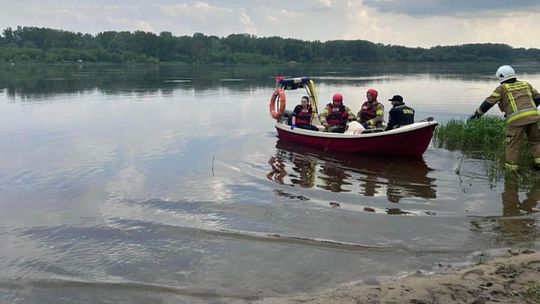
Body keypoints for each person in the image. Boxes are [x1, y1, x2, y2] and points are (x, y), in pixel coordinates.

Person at [469, 65, 540, 171]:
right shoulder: (526, 84)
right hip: (534, 117)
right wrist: (530, 111)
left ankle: (511, 170)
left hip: (517, 121)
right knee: (536, 141)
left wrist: (477, 114)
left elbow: (488, 103)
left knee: (512, 144)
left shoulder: (502, 88)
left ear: (501, 77)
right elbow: (538, 98)